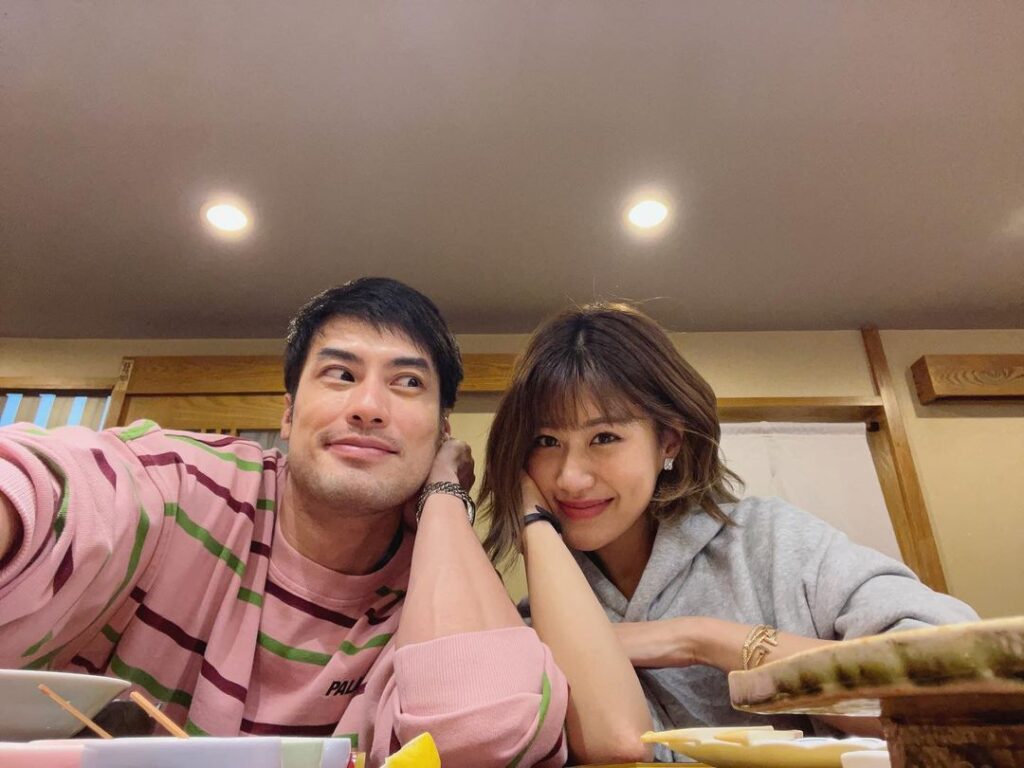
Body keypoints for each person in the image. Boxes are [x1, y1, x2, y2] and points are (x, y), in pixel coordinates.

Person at [0, 278, 567, 768]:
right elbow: (55, 489)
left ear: (443, 433)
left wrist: (443, 496)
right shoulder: (184, 483)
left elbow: (488, 738)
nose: (369, 407)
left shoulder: (438, 585)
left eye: (408, 382)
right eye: (340, 374)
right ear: (290, 414)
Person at [479, 302, 978, 762]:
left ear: (668, 441)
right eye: (546, 441)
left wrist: (700, 639)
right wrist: (533, 525)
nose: (570, 477)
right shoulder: (540, 616)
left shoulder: (769, 541)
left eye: (604, 437)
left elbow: (959, 678)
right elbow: (615, 745)